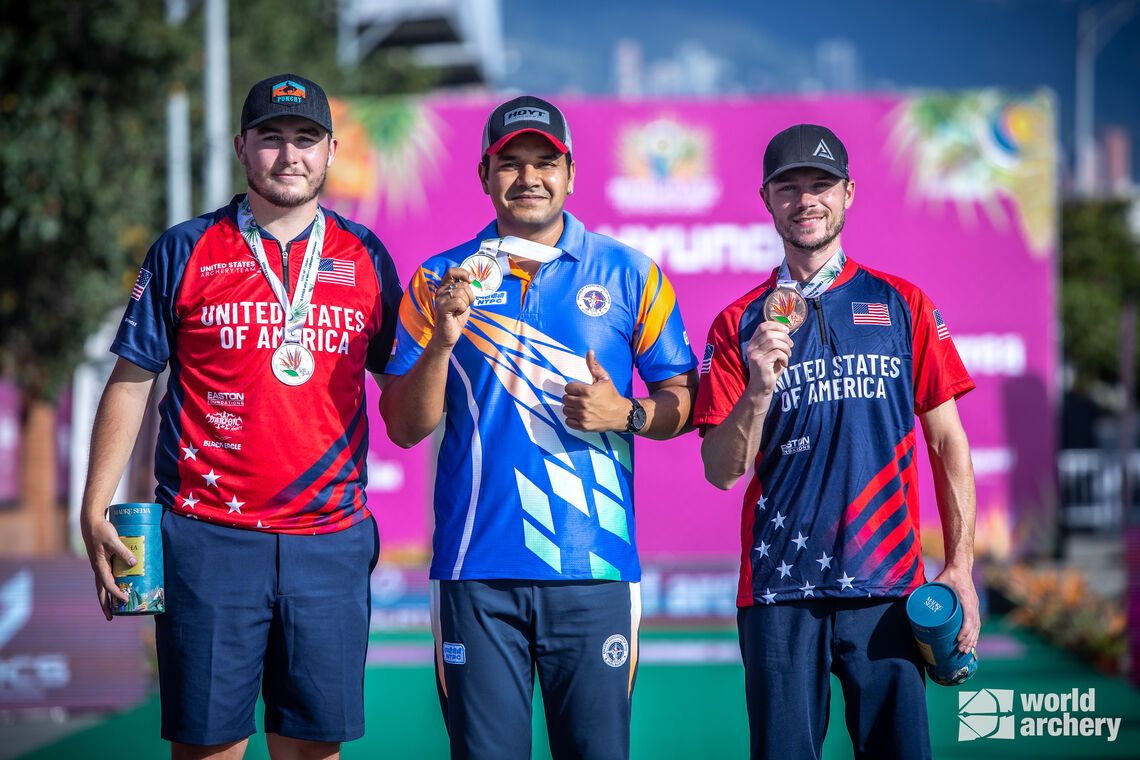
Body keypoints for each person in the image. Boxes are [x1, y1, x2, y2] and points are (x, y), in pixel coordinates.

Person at [79, 73, 402, 760]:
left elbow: (402, 399)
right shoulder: (184, 248)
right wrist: (93, 505)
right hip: (207, 539)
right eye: (271, 137)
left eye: (306, 139)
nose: (289, 155)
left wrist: (443, 347)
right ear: (241, 148)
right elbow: (132, 382)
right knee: (208, 750)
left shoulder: (368, 256)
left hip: (329, 540)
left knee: (312, 751)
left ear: (331, 150)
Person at [379, 95, 698, 759]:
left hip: (595, 568)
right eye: (510, 163)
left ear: (571, 173)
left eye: (545, 162)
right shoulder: (439, 279)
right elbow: (404, 427)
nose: (529, 177)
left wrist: (628, 413)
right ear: (484, 175)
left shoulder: (631, 273)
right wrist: (442, 342)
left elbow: (684, 398)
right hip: (474, 571)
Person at [693, 123, 979, 760]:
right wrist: (759, 388)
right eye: (788, 187)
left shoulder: (902, 303)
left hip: (887, 585)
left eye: (820, 184)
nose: (806, 200)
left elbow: (948, 445)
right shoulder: (738, 322)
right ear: (766, 201)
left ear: (848, 193)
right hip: (779, 589)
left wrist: (959, 567)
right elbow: (720, 470)